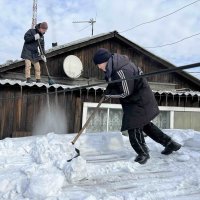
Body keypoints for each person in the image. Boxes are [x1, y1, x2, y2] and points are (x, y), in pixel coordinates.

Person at [93, 48, 181, 164]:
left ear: (105, 61)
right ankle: (170, 144)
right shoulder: (114, 67)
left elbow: (125, 92)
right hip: (137, 99)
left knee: (133, 126)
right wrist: (109, 90)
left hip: (139, 101)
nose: (99, 67)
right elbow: (114, 83)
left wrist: (109, 95)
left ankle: (143, 153)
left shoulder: (121, 70)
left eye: (99, 64)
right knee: (145, 125)